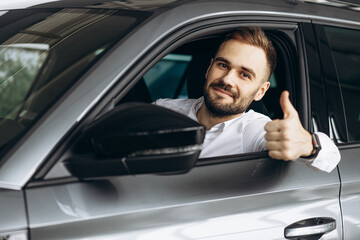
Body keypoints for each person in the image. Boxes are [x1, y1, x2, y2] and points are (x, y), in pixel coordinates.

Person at [154, 26, 340, 173]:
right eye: (223, 65)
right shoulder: (162, 110)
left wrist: (309, 144)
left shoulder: (255, 131)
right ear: (209, 68)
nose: (227, 79)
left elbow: (332, 157)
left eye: (244, 74)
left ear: (260, 91)